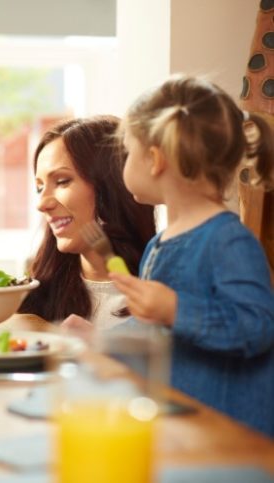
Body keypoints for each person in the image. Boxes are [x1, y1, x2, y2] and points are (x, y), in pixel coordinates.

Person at [111, 75, 274, 436]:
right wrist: (102, 340)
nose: (123, 163)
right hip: (180, 429)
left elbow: (257, 326)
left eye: (127, 151)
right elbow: (155, 328)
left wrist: (175, 308)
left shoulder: (228, 240)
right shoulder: (159, 244)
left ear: (154, 160)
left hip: (231, 439)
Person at [16, 115, 156, 330]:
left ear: (111, 187)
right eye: (39, 187)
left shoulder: (163, 298)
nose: (42, 203)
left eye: (62, 181)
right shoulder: (36, 296)